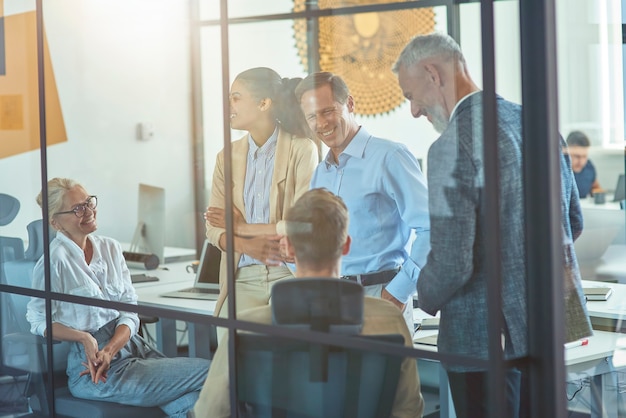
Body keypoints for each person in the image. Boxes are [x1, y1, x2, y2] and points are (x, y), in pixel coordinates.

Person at [393, 32, 590, 417]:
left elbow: (453, 263)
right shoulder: (539, 124)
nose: (414, 111)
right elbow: (573, 222)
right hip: (549, 326)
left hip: (482, 339)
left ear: (433, 73)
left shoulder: (450, 145)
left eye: (409, 96)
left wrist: (421, 297)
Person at [194, 188, 424, 418]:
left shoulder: (246, 327)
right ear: (346, 246)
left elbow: (210, 413)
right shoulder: (389, 319)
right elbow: (409, 409)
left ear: (287, 247)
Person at [26, 178, 210, 418]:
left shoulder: (110, 248)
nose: (89, 211)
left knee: (197, 400)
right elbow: (37, 320)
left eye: (89, 202)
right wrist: (85, 338)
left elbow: (129, 312)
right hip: (94, 369)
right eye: (77, 209)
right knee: (213, 373)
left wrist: (111, 348)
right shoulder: (54, 262)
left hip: (131, 350)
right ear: (56, 223)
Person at [293, 71, 430, 333]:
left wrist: (397, 293)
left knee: (386, 375)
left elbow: (430, 228)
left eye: (328, 111)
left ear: (350, 104)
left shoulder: (390, 156)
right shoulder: (321, 173)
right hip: (332, 301)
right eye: (312, 116)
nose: (321, 123)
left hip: (380, 296)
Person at [204, 67, 318, 320]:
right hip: (241, 277)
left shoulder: (302, 150)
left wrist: (242, 227)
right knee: (230, 354)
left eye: (235, 97)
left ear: (264, 103)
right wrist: (247, 245)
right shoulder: (226, 158)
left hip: (288, 274)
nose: (228, 105)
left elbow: (300, 226)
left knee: (285, 355)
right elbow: (213, 227)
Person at [565, 130, 602, 198]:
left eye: (584, 156)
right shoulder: (561, 171)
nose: (581, 161)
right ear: (567, 152)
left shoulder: (589, 167)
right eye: (577, 156)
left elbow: (596, 189)